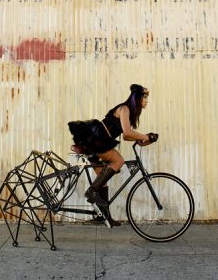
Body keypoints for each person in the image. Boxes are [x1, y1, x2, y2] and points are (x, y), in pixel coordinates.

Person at [68, 84, 158, 227]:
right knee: (118, 161)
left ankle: (103, 217)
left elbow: (128, 137)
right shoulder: (125, 109)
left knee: (102, 180)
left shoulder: (129, 112)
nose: (147, 101)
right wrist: (145, 137)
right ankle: (91, 192)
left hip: (96, 140)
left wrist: (145, 139)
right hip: (98, 139)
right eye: (145, 97)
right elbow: (128, 133)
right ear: (138, 98)